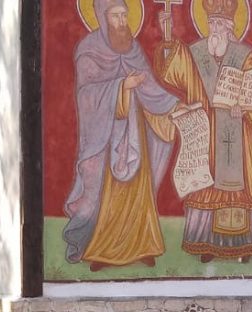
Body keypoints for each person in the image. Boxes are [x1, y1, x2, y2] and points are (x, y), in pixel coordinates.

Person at [155, 0, 252, 264]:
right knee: (209, 186)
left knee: (242, 188)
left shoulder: (244, 55)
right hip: (208, 133)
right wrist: (168, 39)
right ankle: (208, 244)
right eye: (211, 23)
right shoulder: (195, 53)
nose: (214, 28)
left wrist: (245, 109)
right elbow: (175, 73)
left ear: (229, 27)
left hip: (239, 134)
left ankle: (245, 246)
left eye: (219, 24)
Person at [64, 0, 179, 272]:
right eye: (116, 16)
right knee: (109, 194)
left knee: (138, 190)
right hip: (106, 139)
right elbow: (86, 96)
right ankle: (102, 250)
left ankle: (142, 246)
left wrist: (173, 105)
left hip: (136, 133)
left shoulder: (133, 48)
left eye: (125, 15)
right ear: (103, 17)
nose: (122, 21)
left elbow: (150, 87)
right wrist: (122, 86)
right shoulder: (89, 50)